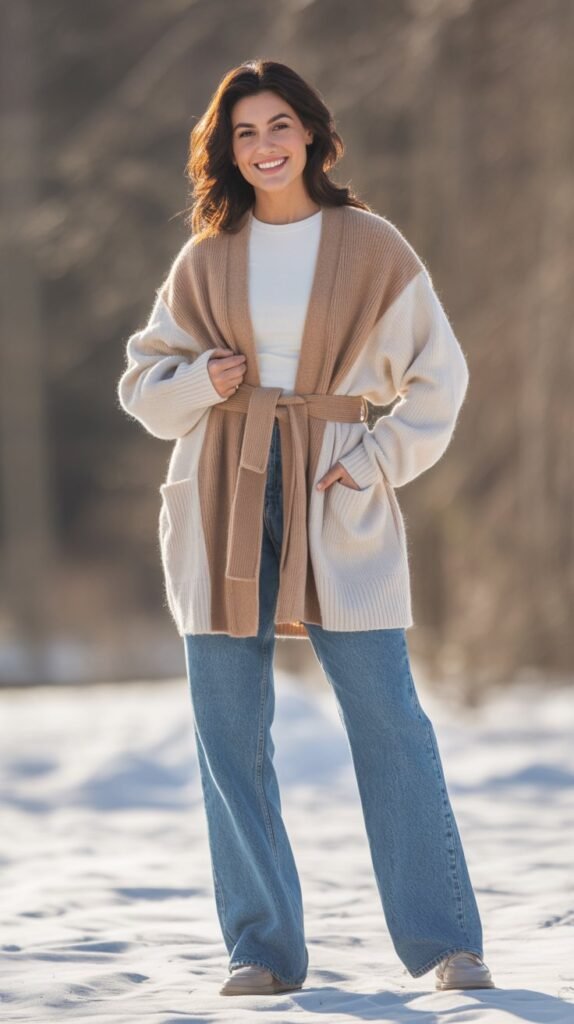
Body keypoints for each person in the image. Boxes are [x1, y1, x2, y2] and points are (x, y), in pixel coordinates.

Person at [117, 59, 494, 996]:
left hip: (333, 481)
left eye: (279, 125)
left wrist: (374, 457)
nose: (265, 146)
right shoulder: (206, 257)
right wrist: (197, 380)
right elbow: (142, 384)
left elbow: (439, 380)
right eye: (244, 133)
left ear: (313, 134)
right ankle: (261, 950)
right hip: (220, 492)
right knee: (228, 728)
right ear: (226, 151)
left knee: (388, 717)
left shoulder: (372, 245)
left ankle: (446, 944)